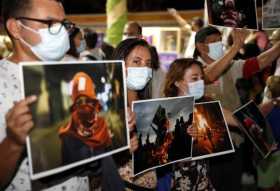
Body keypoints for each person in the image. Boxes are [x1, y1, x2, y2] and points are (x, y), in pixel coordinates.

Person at [0, 0, 133, 190]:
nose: (61, 32)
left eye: (63, 24)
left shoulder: (74, 68)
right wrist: (13, 143)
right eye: (49, 23)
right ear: (15, 27)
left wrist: (117, 127)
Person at [163, 58, 239, 190]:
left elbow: (236, 119)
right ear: (178, 82)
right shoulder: (164, 109)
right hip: (176, 181)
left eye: (201, 78)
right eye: (194, 78)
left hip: (202, 179)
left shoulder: (207, 106)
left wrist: (253, 118)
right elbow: (157, 150)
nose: (201, 82)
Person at [194, 26, 280, 111]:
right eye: (214, 41)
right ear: (201, 46)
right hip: (211, 122)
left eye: (220, 40)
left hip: (236, 121)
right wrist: (235, 47)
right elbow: (209, 75)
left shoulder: (229, 65)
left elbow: (260, 61)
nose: (219, 44)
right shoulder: (190, 68)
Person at [112, 38, 158, 190]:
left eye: (148, 63)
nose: (144, 68)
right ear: (119, 64)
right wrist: (120, 151)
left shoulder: (151, 107)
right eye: (137, 62)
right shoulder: (107, 109)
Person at [59, 72, 112, 164]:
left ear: (94, 102)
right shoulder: (68, 135)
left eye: (88, 101)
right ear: (75, 106)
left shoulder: (102, 126)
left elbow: (112, 157)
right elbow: (66, 167)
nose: (84, 106)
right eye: (79, 102)